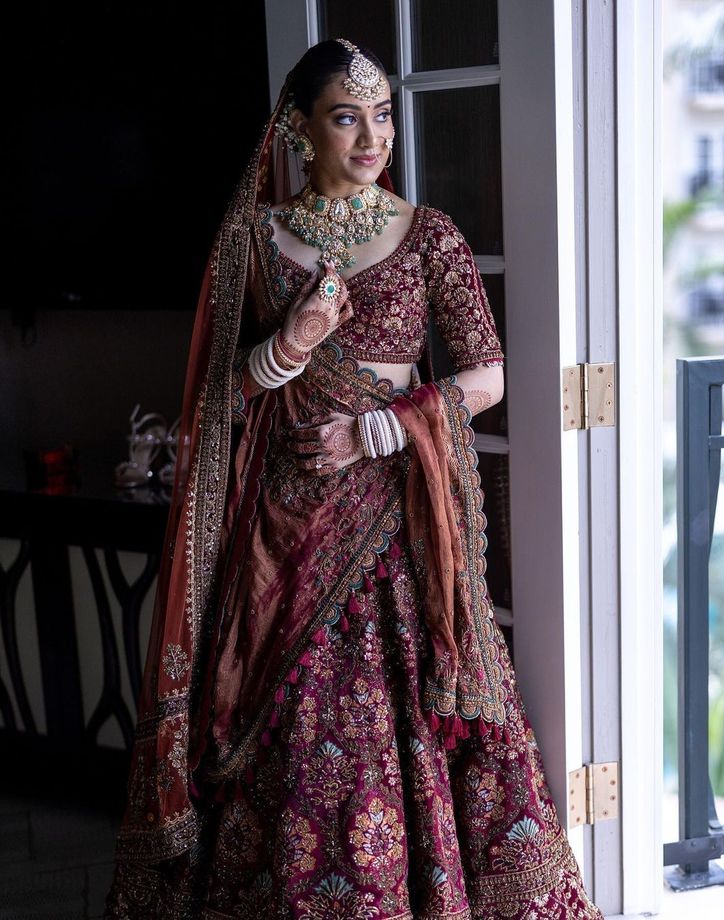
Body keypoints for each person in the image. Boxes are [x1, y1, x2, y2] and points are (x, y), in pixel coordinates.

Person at [105, 38, 604, 920]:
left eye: (382, 115)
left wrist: (378, 428)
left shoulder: (429, 235)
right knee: (288, 735)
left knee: (408, 718)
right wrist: (293, 343)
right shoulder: (254, 242)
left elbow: (487, 376)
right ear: (299, 129)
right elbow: (219, 396)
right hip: (281, 533)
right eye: (347, 116)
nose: (375, 136)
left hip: (397, 526)